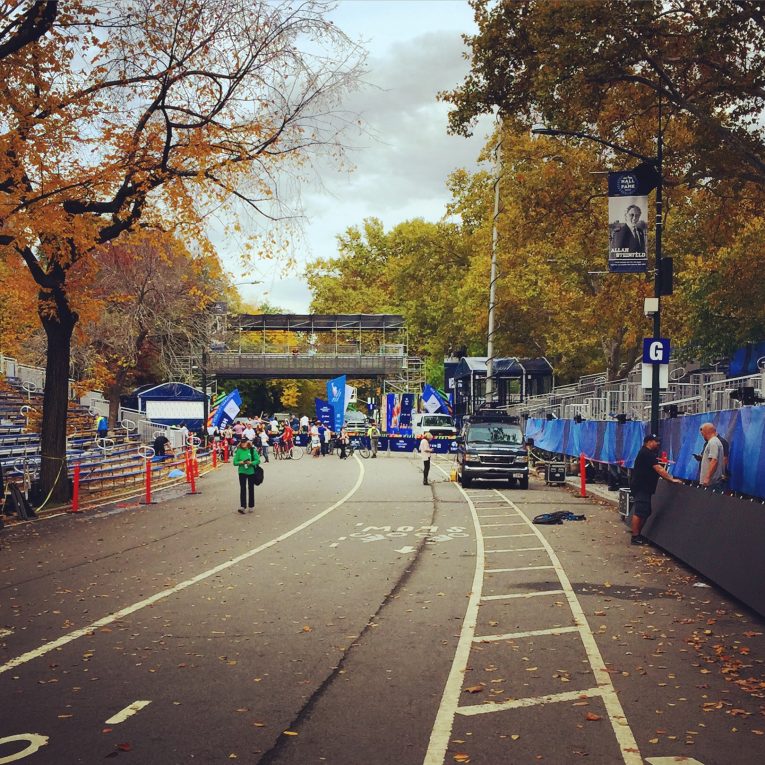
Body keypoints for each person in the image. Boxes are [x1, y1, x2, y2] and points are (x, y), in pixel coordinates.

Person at [629, 433, 682, 545]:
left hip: (645, 487)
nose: (657, 443)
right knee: (640, 511)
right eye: (655, 441)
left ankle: (638, 533)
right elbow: (659, 469)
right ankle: (635, 536)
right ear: (648, 442)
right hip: (641, 487)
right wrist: (671, 479)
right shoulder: (647, 454)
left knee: (646, 511)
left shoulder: (647, 453)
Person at [233, 438, 260, 514]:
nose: (243, 444)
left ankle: (251, 505)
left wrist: (251, 463)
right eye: (242, 443)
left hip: (251, 471)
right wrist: (241, 462)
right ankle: (243, 506)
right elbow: (235, 462)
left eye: (244, 443)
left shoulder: (252, 450)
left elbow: (258, 460)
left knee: (251, 488)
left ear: (247, 443)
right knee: (243, 488)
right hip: (242, 471)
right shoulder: (239, 451)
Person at [698, 422, 726, 490]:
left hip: (712, 483)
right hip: (713, 482)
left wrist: (707, 478)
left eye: (703, 434)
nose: (703, 436)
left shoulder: (713, 443)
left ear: (706, 432)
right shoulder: (714, 442)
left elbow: (714, 460)